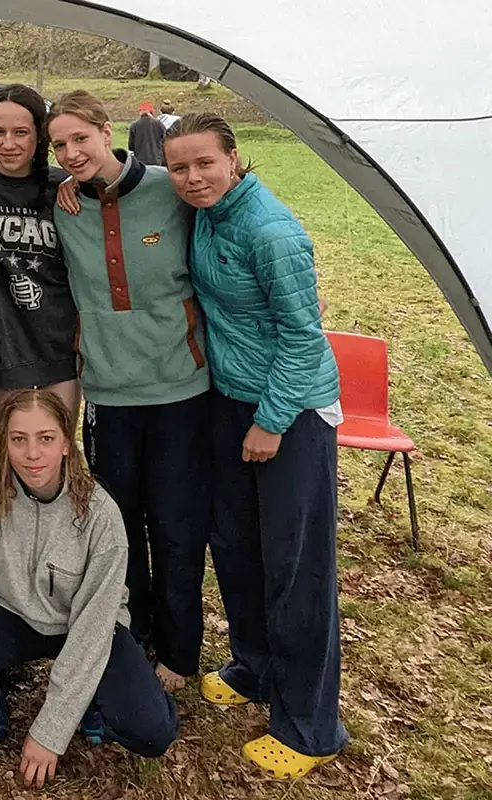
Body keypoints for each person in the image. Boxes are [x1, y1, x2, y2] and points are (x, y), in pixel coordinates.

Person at [163, 113, 347, 779]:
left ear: (232, 157)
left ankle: (309, 725)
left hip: (289, 412)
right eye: (179, 168)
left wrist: (269, 422)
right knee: (236, 543)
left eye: (204, 164)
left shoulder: (272, 231)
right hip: (229, 401)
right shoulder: (206, 215)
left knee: (295, 567)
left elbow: (304, 338)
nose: (191, 178)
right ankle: (256, 666)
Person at [0, 389, 178, 789]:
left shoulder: (100, 515)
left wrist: (51, 731)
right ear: (4, 443)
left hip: (84, 625)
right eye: (19, 439)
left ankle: (91, 699)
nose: (32, 453)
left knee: (152, 730)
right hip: (10, 613)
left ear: (67, 444)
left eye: (46, 438)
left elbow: (92, 631)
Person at [47, 90, 210, 693]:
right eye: (59, 146)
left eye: (80, 139)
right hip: (108, 393)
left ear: (105, 130)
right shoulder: (62, 203)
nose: (71, 153)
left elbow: (230, 206)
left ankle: (180, 648)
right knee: (119, 523)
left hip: (178, 388)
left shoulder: (172, 189)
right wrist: (63, 181)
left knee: (176, 522)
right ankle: (132, 631)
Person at [0, 84, 79, 419]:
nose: (8, 144)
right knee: (14, 446)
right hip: (4, 344)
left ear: (40, 135)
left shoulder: (63, 187)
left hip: (58, 340)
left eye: (21, 132)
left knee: (59, 443)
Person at [128, 101, 166, 166]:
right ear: (151, 112)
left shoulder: (134, 125)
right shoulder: (159, 124)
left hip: (140, 163)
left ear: (140, 112)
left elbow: (131, 147)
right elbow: (165, 141)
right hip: (157, 161)